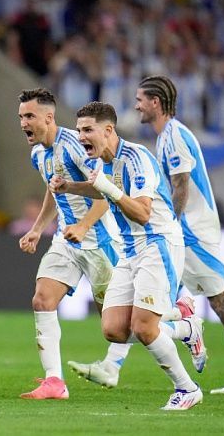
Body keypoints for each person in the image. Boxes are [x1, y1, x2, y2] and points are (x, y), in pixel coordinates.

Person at [70, 75, 224, 395]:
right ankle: (184, 327)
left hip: (191, 231)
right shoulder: (163, 137)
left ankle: (171, 355)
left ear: (155, 102)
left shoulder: (173, 136)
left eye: (140, 99)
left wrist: (174, 223)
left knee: (222, 301)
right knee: (141, 317)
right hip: (169, 235)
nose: (136, 105)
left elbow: (181, 185)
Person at [51, 101, 202, 410]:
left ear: (108, 130)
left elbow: (144, 213)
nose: (81, 137)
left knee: (145, 328)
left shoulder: (137, 158)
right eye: (79, 130)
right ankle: (185, 327)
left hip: (158, 243)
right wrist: (71, 186)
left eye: (88, 130)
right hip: (130, 248)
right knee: (114, 330)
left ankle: (187, 389)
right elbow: (100, 188)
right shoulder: (100, 162)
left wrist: (108, 188)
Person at [15, 88, 122, 399]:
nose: (23, 122)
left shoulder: (75, 146)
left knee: (118, 326)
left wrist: (84, 224)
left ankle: (182, 328)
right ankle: (54, 382)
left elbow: (107, 192)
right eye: (21, 116)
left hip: (100, 242)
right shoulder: (38, 153)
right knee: (42, 300)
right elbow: (54, 189)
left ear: (49, 118)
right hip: (66, 240)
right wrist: (37, 229)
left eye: (29, 116)